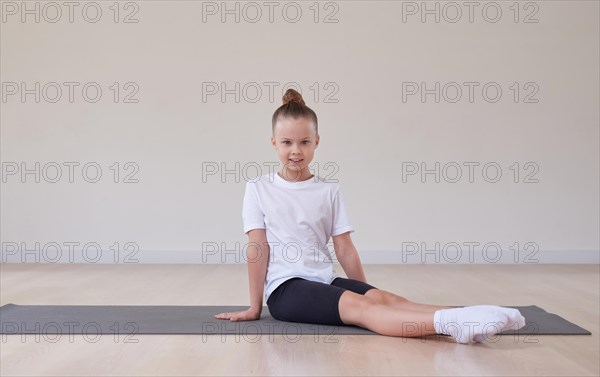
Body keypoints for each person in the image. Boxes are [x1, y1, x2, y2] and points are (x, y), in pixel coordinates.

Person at [215, 89, 526, 344]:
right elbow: (258, 249)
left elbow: (345, 248)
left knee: (386, 298)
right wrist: (256, 306)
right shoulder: (258, 188)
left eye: (304, 142)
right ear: (274, 143)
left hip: (324, 279)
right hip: (286, 288)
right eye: (287, 142)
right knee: (360, 307)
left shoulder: (329, 190)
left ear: (317, 142)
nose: (296, 150)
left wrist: (368, 293)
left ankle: (467, 315)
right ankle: (451, 323)